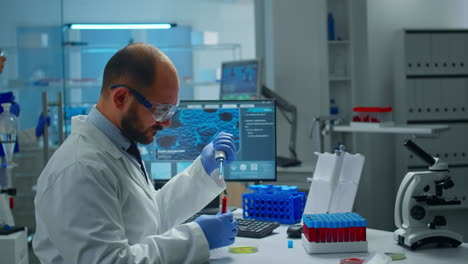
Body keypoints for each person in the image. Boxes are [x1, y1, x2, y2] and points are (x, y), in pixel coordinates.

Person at [33, 43, 238, 264]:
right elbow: (110, 261)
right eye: (160, 110)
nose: (167, 122)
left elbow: (148, 219)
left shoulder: (119, 146)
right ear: (121, 98)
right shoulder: (80, 169)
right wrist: (198, 238)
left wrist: (202, 172)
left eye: (171, 109)